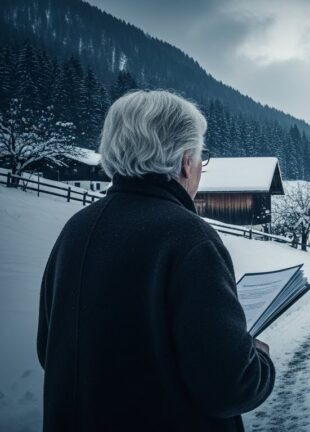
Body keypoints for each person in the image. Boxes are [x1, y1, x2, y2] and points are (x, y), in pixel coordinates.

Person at [37, 90, 275, 431]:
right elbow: (230, 386)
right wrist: (259, 360)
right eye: (200, 157)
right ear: (184, 162)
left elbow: (50, 351)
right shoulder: (190, 238)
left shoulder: (76, 229)